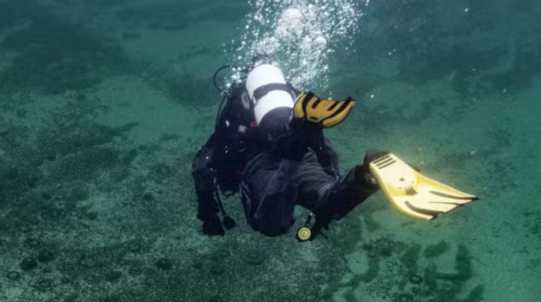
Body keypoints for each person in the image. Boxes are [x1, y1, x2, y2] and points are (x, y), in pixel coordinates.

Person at [192, 58, 476, 241]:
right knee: (327, 200)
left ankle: (299, 156)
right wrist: (331, 171)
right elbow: (320, 141)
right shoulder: (293, 98)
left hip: (263, 164)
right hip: (306, 152)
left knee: (271, 224)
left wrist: (208, 214)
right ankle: (366, 175)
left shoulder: (235, 105)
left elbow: (202, 166)